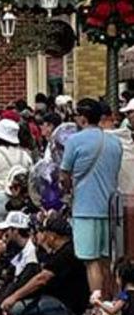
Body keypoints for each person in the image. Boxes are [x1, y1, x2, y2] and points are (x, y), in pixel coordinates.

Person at [0, 215, 88, 315]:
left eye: (44, 233)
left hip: (66, 304)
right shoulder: (54, 252)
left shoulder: (66, 253)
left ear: (52, 236)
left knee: (16, 309)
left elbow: (41, 279)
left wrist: (13, 298)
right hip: (52, 297)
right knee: (18, 304)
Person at [61, 97, 123, 296]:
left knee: (91, 261)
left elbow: (64, 175)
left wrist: (68, 188)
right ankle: (112, 303)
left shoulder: (74, 141)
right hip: (111, 208)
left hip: (85, 208)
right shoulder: (115, 142)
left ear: (82, 118)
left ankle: (97, 306)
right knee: (108, 260)